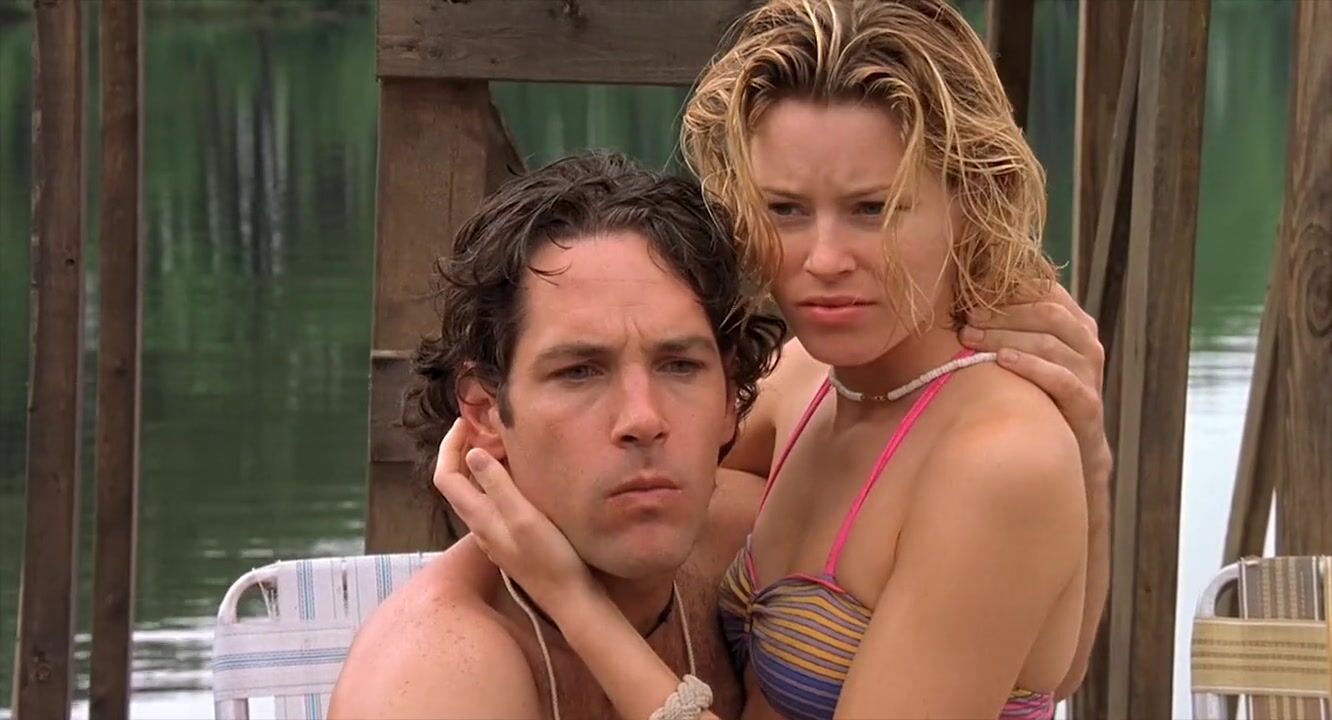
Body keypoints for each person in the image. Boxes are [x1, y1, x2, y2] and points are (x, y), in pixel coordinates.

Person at [433, 1, 1110, 719]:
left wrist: (572, 600)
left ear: (972, 198)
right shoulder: (802, 382)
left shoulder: (998, 457)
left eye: (873, 209)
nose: (824, 259)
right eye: (785, 209)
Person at [329, 152, 785, 719]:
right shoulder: (438, 675)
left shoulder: (758, 540)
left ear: (729, 395)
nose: (643, 418)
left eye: (679, 365)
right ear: (485, 411)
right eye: (579, 372)